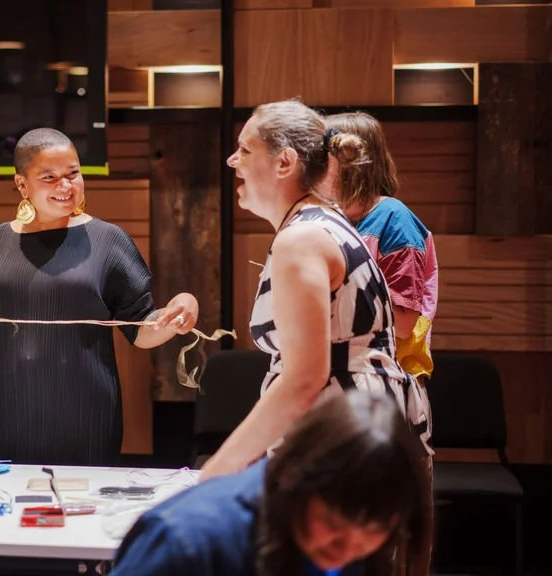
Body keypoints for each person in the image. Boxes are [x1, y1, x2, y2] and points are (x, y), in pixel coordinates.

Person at [0, 128, 199, 467]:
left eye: (73, 173)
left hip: (85, 416)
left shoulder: (108, 240)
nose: (65, 186)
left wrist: (180, 309)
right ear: (22, 184)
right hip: (2, 414)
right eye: (50, 177)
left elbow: (141, 330)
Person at [199, 100, 430, 481]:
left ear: (284, 162)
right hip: (356, 425)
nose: (232, 160)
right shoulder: (319, 223)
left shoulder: (302, 238)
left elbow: (305, 378)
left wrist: (217, 473)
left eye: (245, 149)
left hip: (342, 434)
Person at [111, 390, 432, 576]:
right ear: (294, 477)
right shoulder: (185, 540)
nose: (348, 548)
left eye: (374, 531)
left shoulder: (357, 548)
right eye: (332, 523)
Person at [322, 111, 437, 576]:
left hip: (386, 390)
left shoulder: (393, 219)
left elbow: (405, 322)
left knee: (383, 539)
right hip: (339, 392)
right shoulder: (332, 219)